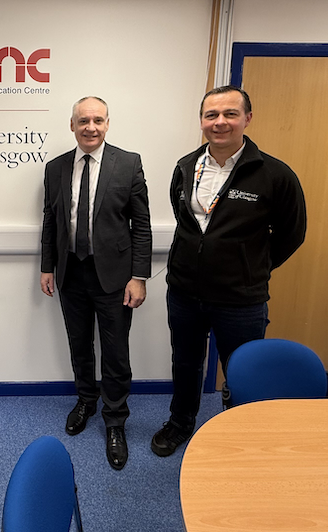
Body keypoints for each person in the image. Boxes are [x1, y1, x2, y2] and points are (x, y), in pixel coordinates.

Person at [151, 86, 307, 457]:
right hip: (186, 293)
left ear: (247, 119)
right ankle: (180, 422)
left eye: (230, 114)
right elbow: (187, 221)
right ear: (202, 121)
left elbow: (293, 233)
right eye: (211, 115)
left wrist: (252, 268)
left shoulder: (274, 174)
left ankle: (241, 432)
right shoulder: (186, 166)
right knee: (185, 362)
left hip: (241, 299)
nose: (220, 122)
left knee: (240, 370)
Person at [40, 96, 152, 470]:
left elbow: (142, 225)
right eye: (83, 120)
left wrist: (139, 276)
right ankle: (86, 400)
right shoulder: (55, 168)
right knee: (80, 345)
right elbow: (51, 222)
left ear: (107, 124)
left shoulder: (128, 163)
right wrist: (46, 267)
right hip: (71, 272)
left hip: (116, 278)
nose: (91, 127)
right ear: (71, 125)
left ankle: (115, 420)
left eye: (98, 120)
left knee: (116, 350)